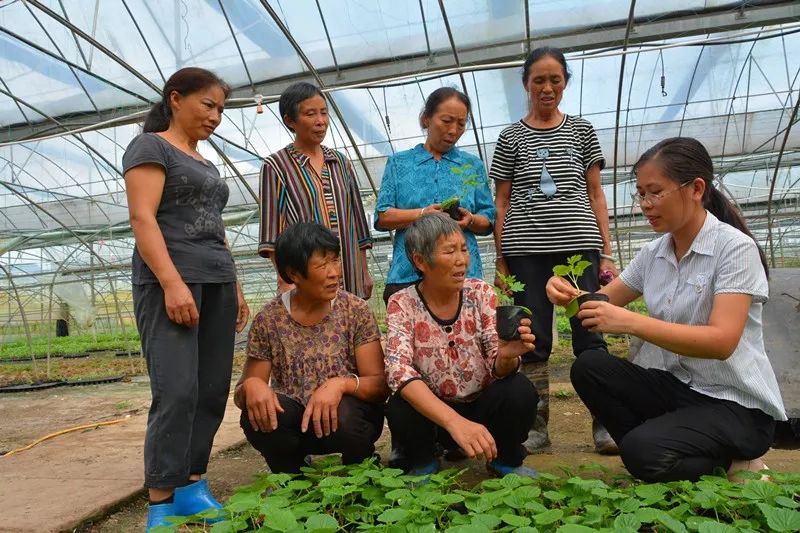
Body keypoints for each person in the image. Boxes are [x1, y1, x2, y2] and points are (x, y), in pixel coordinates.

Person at [547, 137, 787, 482]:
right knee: (590, 367)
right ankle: (656, 448)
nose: (645, 204)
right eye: (640, 194)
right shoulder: (653, 253)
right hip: (681, 390)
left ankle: (732, 462)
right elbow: (600, 302)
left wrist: (632, 323)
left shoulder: (734, 249)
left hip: (736, 407)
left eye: (655, 192)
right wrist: (567, 294)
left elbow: (722, 342)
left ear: (696, 188)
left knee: (642, 451)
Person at [123, 68, 250, 531]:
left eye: (221, 109)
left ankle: (193, 485)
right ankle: (161, 501)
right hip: (170, 282)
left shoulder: (204, 161)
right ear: (176, 99)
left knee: (211, 388)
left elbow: (215, 229)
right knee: (176, 390)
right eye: (208, 105)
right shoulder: (150, 146)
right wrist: (173, 283)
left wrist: (233, 286)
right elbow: (142, 219)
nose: (216, 116)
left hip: (216, 279)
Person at [489, 46, 617, 454]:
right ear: (525, 83)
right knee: (532, 337)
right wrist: (502, 258)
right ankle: (535, 425)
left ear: (565, 83)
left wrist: (607, 252)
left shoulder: (582, 130)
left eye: (555, 80)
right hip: (526, 250)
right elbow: (502, 202)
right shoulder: (510, 137)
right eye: (538, 80)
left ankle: (606, 423)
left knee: (591, 331)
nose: (547, 88)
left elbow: (596, 193)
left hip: (579, 246)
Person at [384, 213, 539, 477]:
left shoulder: (480, 293)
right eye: (449, 252)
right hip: (434, 416)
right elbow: (399, 371)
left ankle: (506, 459)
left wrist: (505, 358)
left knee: (519, 390)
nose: (461, 260)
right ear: (420, 261)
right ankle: (424, 461)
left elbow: (496, 364)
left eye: (464, 250)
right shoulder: (402, 303)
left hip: (480, 406)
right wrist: (454, 422)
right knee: (400, 403)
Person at [236, 222, 389, 473]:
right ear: (294, 273)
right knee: (258, 415)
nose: (334, 272)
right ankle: (289, 475)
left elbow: (380, 384)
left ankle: (361, 468)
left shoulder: (355, 311)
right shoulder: (269, 319)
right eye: (321, 265)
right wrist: (252, 386)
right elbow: (243, 394)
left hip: (346, 419)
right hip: (298, 421)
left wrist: (340, 384)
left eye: (335, 260)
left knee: (348, 414)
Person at [374, 87, 496, 305]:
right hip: (408, 273)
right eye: (446, 120)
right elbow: (383, 216)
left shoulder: (472, 165)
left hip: (462, 275)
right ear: (426, 119)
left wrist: (471, 220)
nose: (453, 130)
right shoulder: (399, 164)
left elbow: (488, 218)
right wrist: (422, 214)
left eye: (461, 123)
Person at [259, 82, 373, 299]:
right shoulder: (276, 166)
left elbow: (357, 222)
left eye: (324, 113)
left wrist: (364, 272)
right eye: (310, 114)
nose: (321, 121)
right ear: (290, 121)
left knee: (349, 329)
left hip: (348, 274)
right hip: (306, 279)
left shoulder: (340, 162)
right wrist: (285, 281)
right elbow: (271, 232)